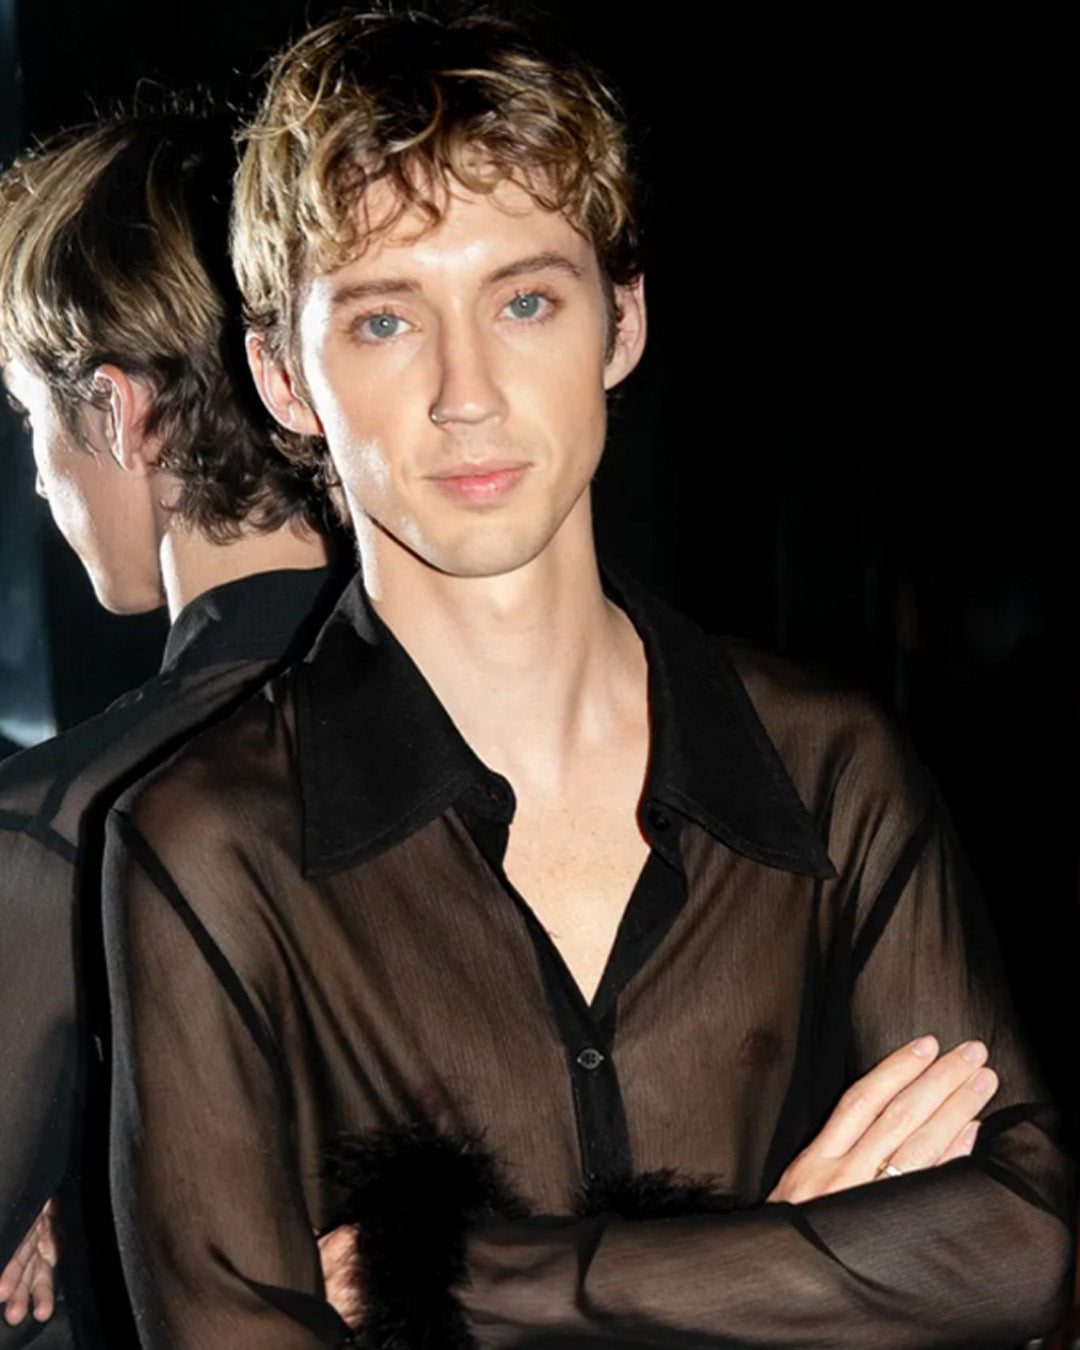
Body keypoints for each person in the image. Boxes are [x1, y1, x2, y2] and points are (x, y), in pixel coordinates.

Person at [102, 12, 1073, 1348]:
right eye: (386, 319)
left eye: (524, 299)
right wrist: (776, 1267)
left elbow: (1023, 1246)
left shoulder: (826, 765)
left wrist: (473, 1280)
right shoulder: (206, 844)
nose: (467, 391)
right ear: (285, 376)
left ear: (621, 323)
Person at [0, 114, 345, 1346]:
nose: (39, 476)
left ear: (122, 409)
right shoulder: (506, 720)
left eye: (29, 417)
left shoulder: (56, 826)